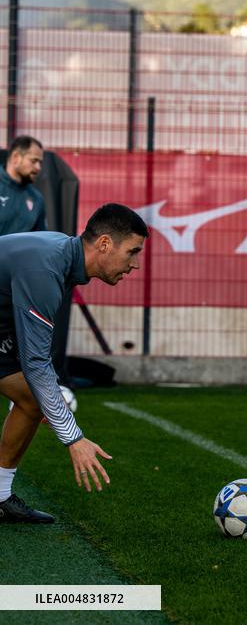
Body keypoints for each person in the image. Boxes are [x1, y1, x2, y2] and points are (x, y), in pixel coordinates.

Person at [0, 203, 147, 523]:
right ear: (105, 244)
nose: (135, 264)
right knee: (34, 386)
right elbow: (36, 363)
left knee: (30, 398)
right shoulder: (46, 267)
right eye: (132, 252)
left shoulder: (63, 258)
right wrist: (74, 438)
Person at [0, 136, 47, 235]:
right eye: (34, 161)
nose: (38, 167)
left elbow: (41, 240)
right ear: (15, 157)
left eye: (40, 162)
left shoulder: (36, 198)